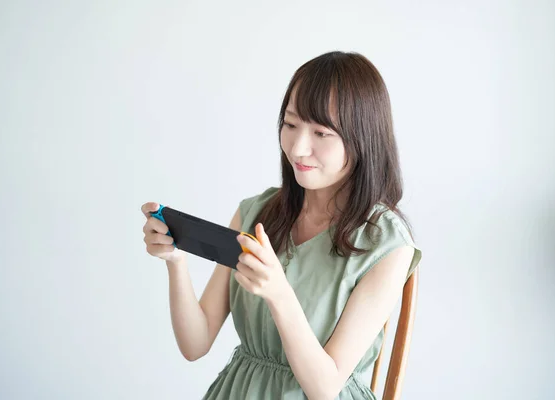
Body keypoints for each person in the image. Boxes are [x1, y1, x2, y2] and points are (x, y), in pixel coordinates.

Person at [140, 51, 423, 400]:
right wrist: (175, 260)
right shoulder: (256, 213)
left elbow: (324, 387)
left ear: (363, 139)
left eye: (321, 132)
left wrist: (278, 293)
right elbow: (194, 343)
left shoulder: (387, 245)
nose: (298, 148)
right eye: (290, 125)